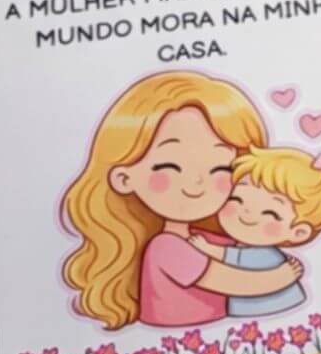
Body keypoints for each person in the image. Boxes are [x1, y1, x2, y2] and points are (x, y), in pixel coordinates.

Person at [60, 71, 303, 330]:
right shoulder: (166, 247)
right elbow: (233, 282)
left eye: (221, 169)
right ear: (124, 178)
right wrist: (282, 276)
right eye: (171, 167)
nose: (197, 182)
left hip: (218, 334)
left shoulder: (204, 238)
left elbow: (244, 254)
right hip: (179, 339)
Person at [189, 144, 321, 316]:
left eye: (269, 213)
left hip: (264, 310)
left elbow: (231, 257)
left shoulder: (266, 255)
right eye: (236, 199)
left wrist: (206, 247)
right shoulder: (244, 245)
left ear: (298, 232)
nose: (245, 212)